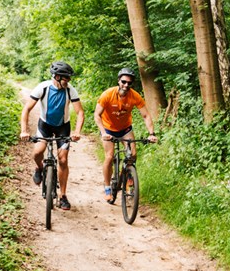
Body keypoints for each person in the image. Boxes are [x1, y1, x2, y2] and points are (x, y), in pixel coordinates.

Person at [20, 61, 85, 210]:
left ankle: (63, 196)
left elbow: (80, 112)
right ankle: (39, 168)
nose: (68, 80)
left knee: (63, 159)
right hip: (45, 125)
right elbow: (26, 109)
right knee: (38, 152)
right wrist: (24, 130)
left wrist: (77, 131)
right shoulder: (43, 88)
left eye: (69, 78)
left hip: (63, 127)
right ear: (56, 77)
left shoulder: (70, 90)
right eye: (66, 78)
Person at [94, 67, 157, 203]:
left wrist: (151, 133)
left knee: (132, 155)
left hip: (125, 129)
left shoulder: (135, 96)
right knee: (109, 156)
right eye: (123, 82)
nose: (126, 85)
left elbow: (146, 115)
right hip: (108, 129)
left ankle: (127, 178)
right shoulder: (107, 94)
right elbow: (97, 115)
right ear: (119, 81)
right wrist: (103, 133)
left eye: (129, 83)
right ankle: (107, 188)